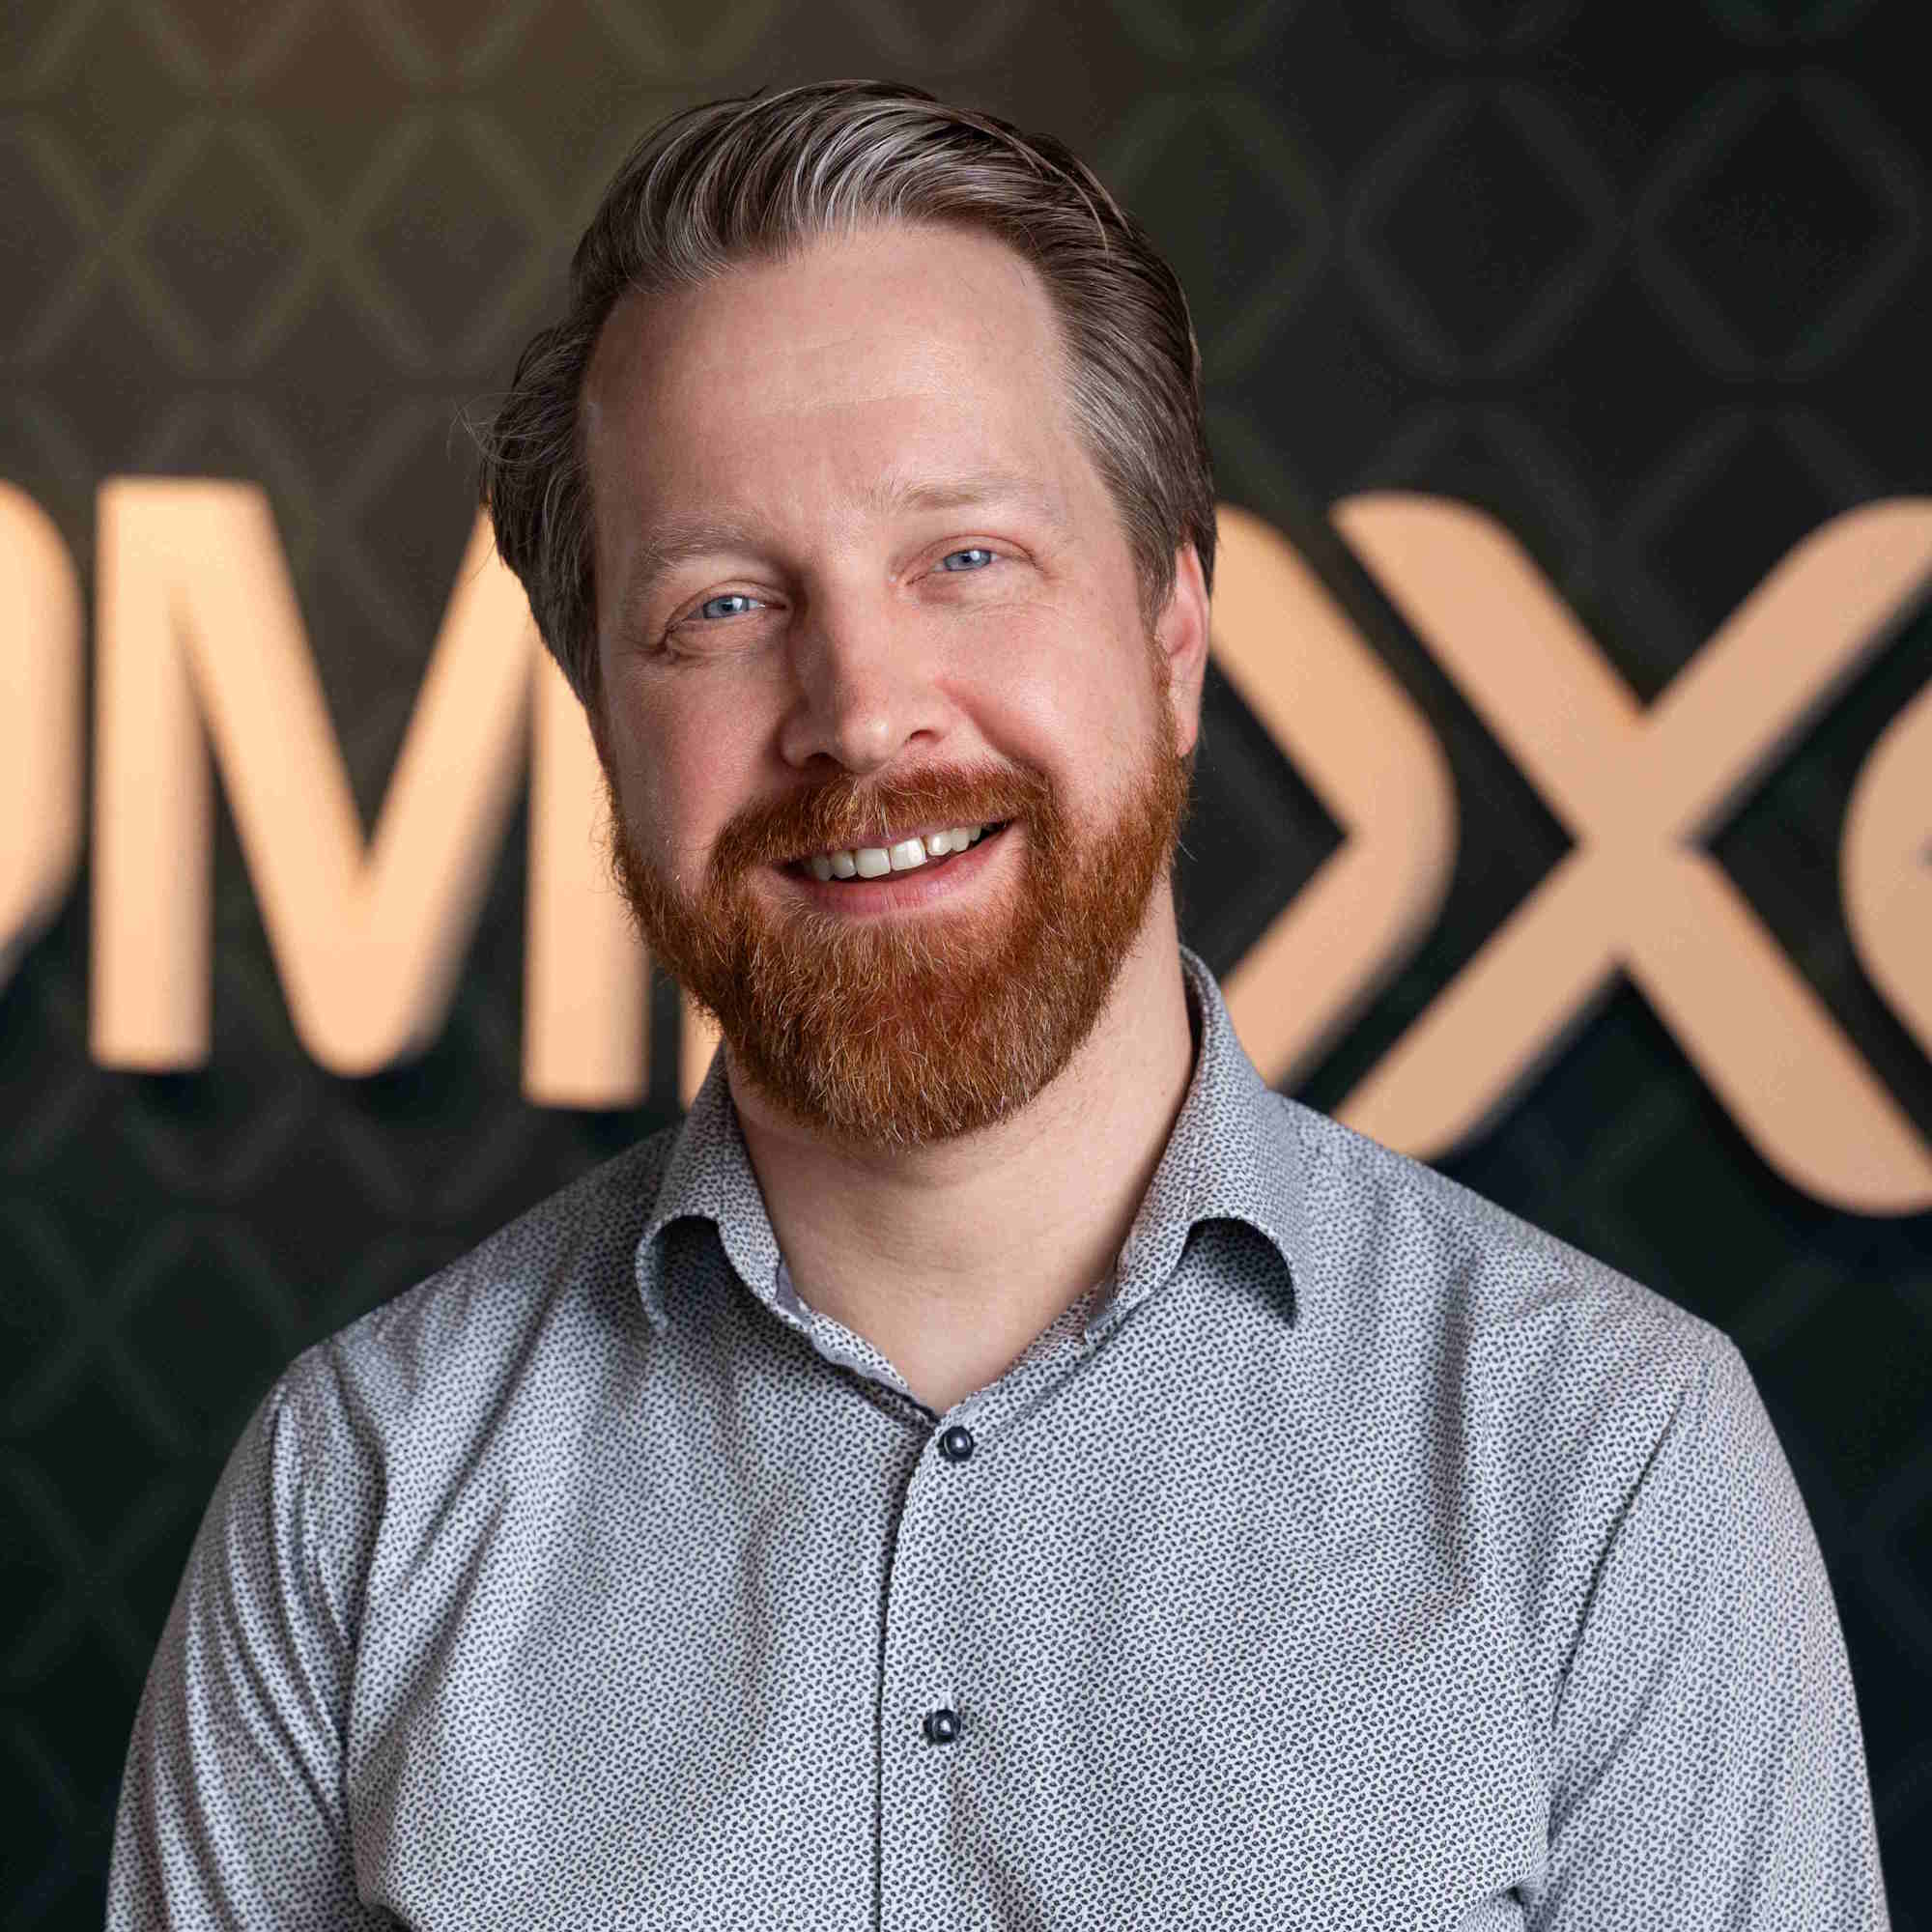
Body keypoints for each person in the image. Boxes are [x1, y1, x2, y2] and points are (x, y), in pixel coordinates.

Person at [106, 78, 1891, 1929]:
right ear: (603, 723)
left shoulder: (1605, 1465)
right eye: (721, 606)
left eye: (965, 559)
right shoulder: (358, 1496)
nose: (862, 710)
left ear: (1172, 639)